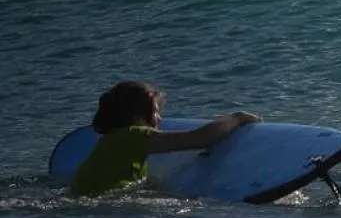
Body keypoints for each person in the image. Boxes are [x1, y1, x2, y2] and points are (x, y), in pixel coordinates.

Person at [71, 80, 260, 198]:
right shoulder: (133, 136)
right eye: (155, 112)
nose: (159, 119)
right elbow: (200, 138)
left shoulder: (111, 139)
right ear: (137, 119)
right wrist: (237, 118)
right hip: (104, 201)